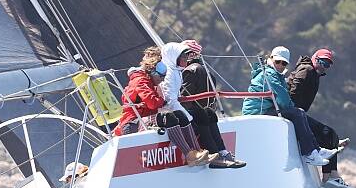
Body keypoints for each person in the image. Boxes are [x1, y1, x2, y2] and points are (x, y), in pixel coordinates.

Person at [114, 46, 214, 167]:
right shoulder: (140, 81)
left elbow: (154, 103)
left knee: (180, 115)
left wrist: (160, 99)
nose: (162, 80)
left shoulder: (151, 81)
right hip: (132, 124)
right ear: (152, 72)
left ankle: (197, 151)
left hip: (144, 120)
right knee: (167, 117)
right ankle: (189, 154)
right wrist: (161, 99)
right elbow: (153, 103)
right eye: (161, 76)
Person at [242, 46, 336, 169]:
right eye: (278, 62)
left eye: (284, 63)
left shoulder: (277, 75)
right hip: (257, 112)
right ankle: (310, 152)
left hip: (265, 109)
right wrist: (294, 109)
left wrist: (294, 109)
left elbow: (284, 97)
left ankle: (315, 150)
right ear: (271, 59)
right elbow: (283, 98)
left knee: (298, 112)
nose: (281, 65)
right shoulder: (269, 74)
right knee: (297, 113)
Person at [288, 49, 354, 188]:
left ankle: (328, 178)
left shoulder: (313, 73)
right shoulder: (307, 69)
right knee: (328, 134)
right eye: (321, 61)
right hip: (294, 114)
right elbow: (293, 90)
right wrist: (293, 111)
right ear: (314, 58)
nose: (323, 65)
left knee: (330, 135)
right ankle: (332, 178)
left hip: (298, 113)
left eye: (327, 64)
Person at [178, 40, 246, 169]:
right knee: (208, 114)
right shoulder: (206, 70)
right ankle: (222, 152)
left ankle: (216, 155)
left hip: (193, 115)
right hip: (205, 112)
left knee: (203, 115)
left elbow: (185, 98)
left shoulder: (189, 71)